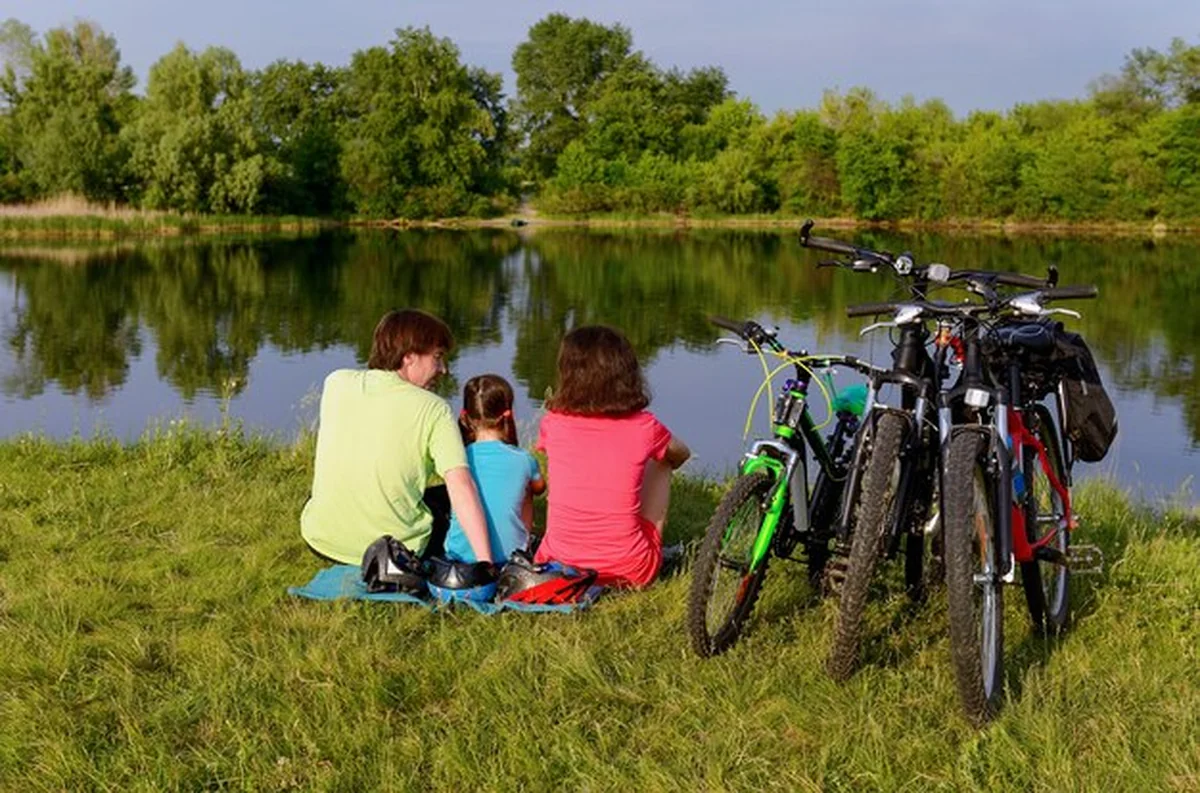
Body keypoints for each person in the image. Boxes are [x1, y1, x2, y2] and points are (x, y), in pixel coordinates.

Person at [300, 309, 492, 565]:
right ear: (409, 357)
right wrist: (486, 564)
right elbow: (460, 486)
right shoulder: (434, 409)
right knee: (462, 497)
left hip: (322, 541)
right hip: (397, 552)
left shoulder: (336, 382)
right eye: (437, 357)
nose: (443, 369)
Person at [534, 325, 690, 588]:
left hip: (558, 564)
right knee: (662, 460)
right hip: (629, 570)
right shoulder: (644, 426)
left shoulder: (553, 423)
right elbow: (682, 454)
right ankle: (649, 546)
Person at [442, 374, 545, 565]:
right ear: (508, 414)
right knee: (528, 488)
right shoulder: (524, 459)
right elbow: (540, 487)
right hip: (509, 560)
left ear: (465, 416)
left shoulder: (458, 459)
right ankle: (522, 547)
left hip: (459, 558)